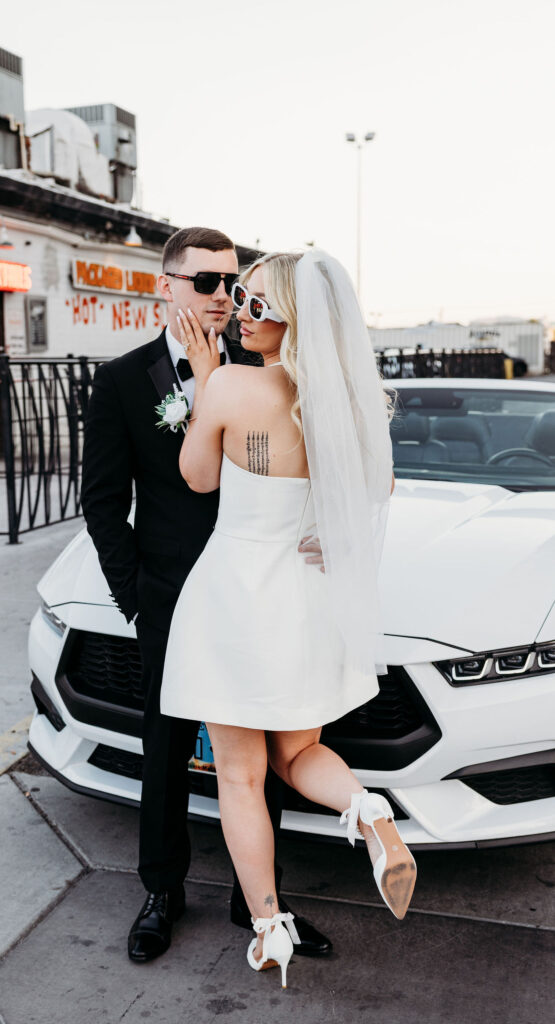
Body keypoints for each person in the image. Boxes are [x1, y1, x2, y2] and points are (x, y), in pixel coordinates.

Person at [161, 249, 416, 988]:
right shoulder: (346, 402)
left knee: (240, 777)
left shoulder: (234, 386)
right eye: (238, 297)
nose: (239, 312)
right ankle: (369, 812)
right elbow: (378, 486)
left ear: (291, 321)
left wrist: (208, 385)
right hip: (306, 603)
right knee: (297, 756)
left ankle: (270, 928)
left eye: (255, 304)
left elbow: (199, 477)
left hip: (237, 598)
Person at [80, 227, 331, 964]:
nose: (223, 297)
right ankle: (161, 891)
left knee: (263, 746)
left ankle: (259, 906)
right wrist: (134, 598)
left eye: (232, 283)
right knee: (164, 744)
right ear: (166, 285)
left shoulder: (270, 364)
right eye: (206, 282)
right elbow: (103, 502)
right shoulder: (124, 380)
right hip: (171, 596)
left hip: (259, 595)